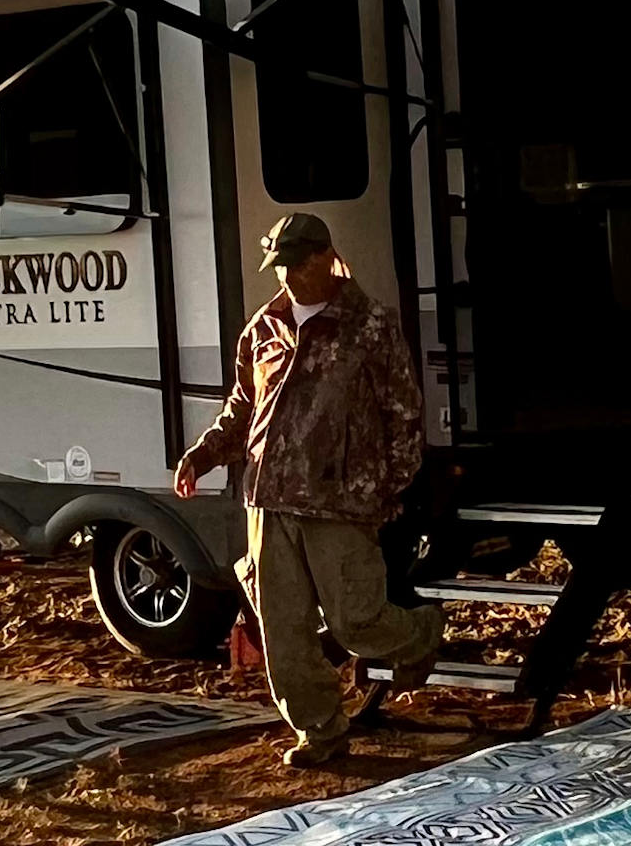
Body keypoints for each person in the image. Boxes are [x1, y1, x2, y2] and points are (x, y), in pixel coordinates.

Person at [175, 212, 441, 764]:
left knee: (355, 620)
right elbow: (242, 411)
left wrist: (386, 487)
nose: (287, 277)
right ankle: (320, 729)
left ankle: (421, 633)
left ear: (324, 257)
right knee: (284, 631)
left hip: (339, 501)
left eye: (296, 264)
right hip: (269, 501)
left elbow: (404, 415)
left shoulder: (369, 325)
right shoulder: (264, 328)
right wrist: (202, 456)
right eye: (279, 267)